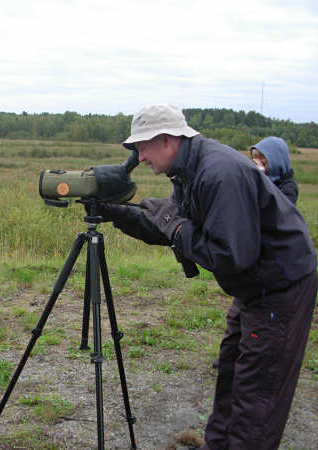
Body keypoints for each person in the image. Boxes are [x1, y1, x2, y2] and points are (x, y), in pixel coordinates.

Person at [99, 104, 317, 449]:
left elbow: (231, 256)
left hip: (278, 288)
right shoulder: (189, 169)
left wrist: (177, 225)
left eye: (142, 147)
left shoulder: (219, 173)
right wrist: (114, 213)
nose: (139, 158)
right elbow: (172, 228)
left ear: (168, 139)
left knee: (258, 394)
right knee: (230, 374)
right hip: (254, 286)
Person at [250, 136, 299, 204]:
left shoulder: (289, 187)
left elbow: (278, 209)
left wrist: (261, 178)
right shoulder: (257, 180)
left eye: (263, 163)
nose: (257, 165)